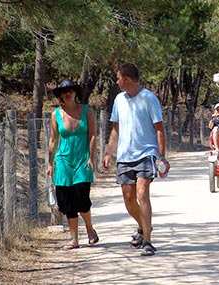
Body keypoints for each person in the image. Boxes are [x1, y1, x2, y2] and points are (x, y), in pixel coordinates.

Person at [102, 62, 170, 257]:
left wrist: (162, 156)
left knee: (142, 194)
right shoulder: (118, 100)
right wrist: (108, 152)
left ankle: (147, 241)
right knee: (129, 199)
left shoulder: (150, 98)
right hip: (125, 155)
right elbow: (115, 129)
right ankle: (143, 227)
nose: (116, 82)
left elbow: (159, 129)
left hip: (146, 153)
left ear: (126, 79)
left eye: (118, 78)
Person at [47, 79, 98, 250]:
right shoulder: (56, 114)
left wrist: (91, 157)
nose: (67, 93)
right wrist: (49, 163)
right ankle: (74, 238)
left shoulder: (87, 111)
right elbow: (53, 140)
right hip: (63, 161)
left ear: (76, 92)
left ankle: (90, 229)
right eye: (64, 91)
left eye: (70, 90)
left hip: (82, 159)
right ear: (60, 95)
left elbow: (92, 135)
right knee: (66, 201)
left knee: (81, 198)